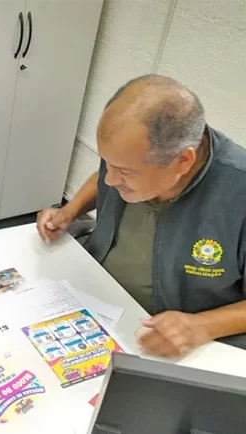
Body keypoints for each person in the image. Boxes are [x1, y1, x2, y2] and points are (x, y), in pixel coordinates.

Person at [37, 74, 246, 359]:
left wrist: (202, 325)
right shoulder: (136, 156)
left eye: (125, 172)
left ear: (182, 161)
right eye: (107, 162)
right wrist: (70, 210)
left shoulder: (238, 194)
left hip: (161, 339)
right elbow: (106, 176)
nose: (110, 180)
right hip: (94, 295)